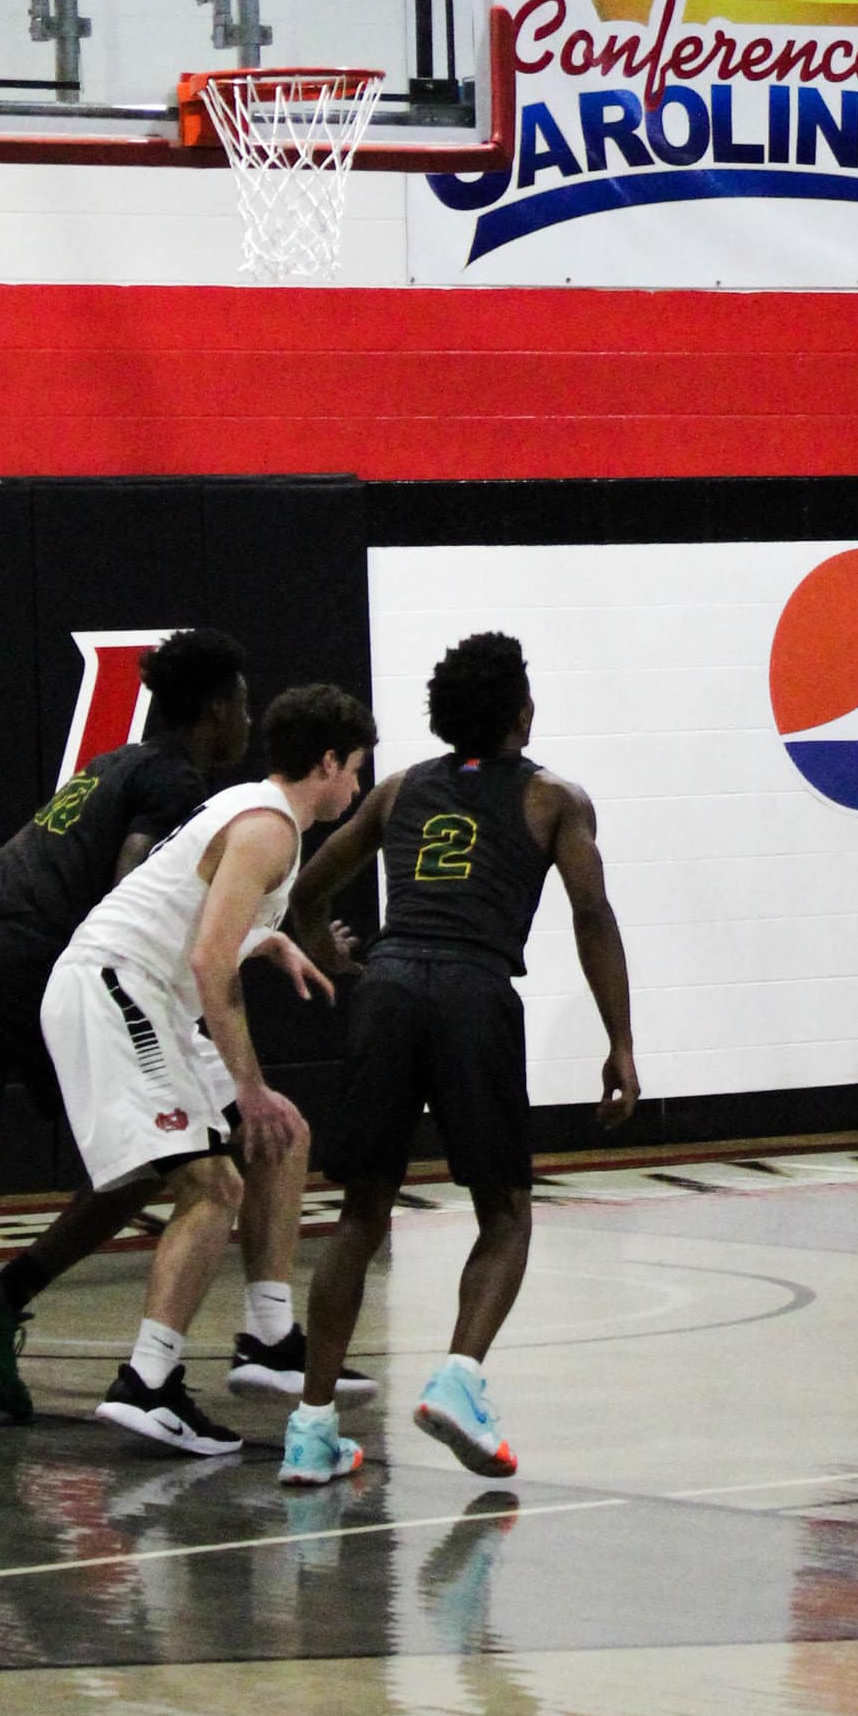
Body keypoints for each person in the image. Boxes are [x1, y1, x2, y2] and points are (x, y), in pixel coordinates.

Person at [0, 629, 374, 1421]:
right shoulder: (179, 784)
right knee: (162, 1159)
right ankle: (13, 1302)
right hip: (52, 963)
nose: (246, 721)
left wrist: (260, 936)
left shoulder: (116, 761)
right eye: (240, 703)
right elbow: (135, 888)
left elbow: (34, 850)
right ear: (217, 711)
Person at [281, 632, 639, 1488]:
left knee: (360, 1215)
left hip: (390, 988)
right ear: (522, 711)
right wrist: (620, 1042)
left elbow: (304, 886)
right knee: (505, 1213)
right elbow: (594, 915)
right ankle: (459, 1377)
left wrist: (325, 956)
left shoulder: (401, 788)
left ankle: (310, 1426)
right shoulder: (555, 799)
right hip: (474, 993)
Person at [43, 684, 373, 1456]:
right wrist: (247, 1086)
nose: (356, 788)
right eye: (353, 769)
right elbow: (205, 956)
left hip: (146, 991)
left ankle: (268, 1335)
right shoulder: (268, 829)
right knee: (214, 1182)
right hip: (116, 988)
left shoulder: (255, 810)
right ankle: (147, 1384)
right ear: (326, 762)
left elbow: (198, 910)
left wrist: (272, 939)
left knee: (284, 1139)